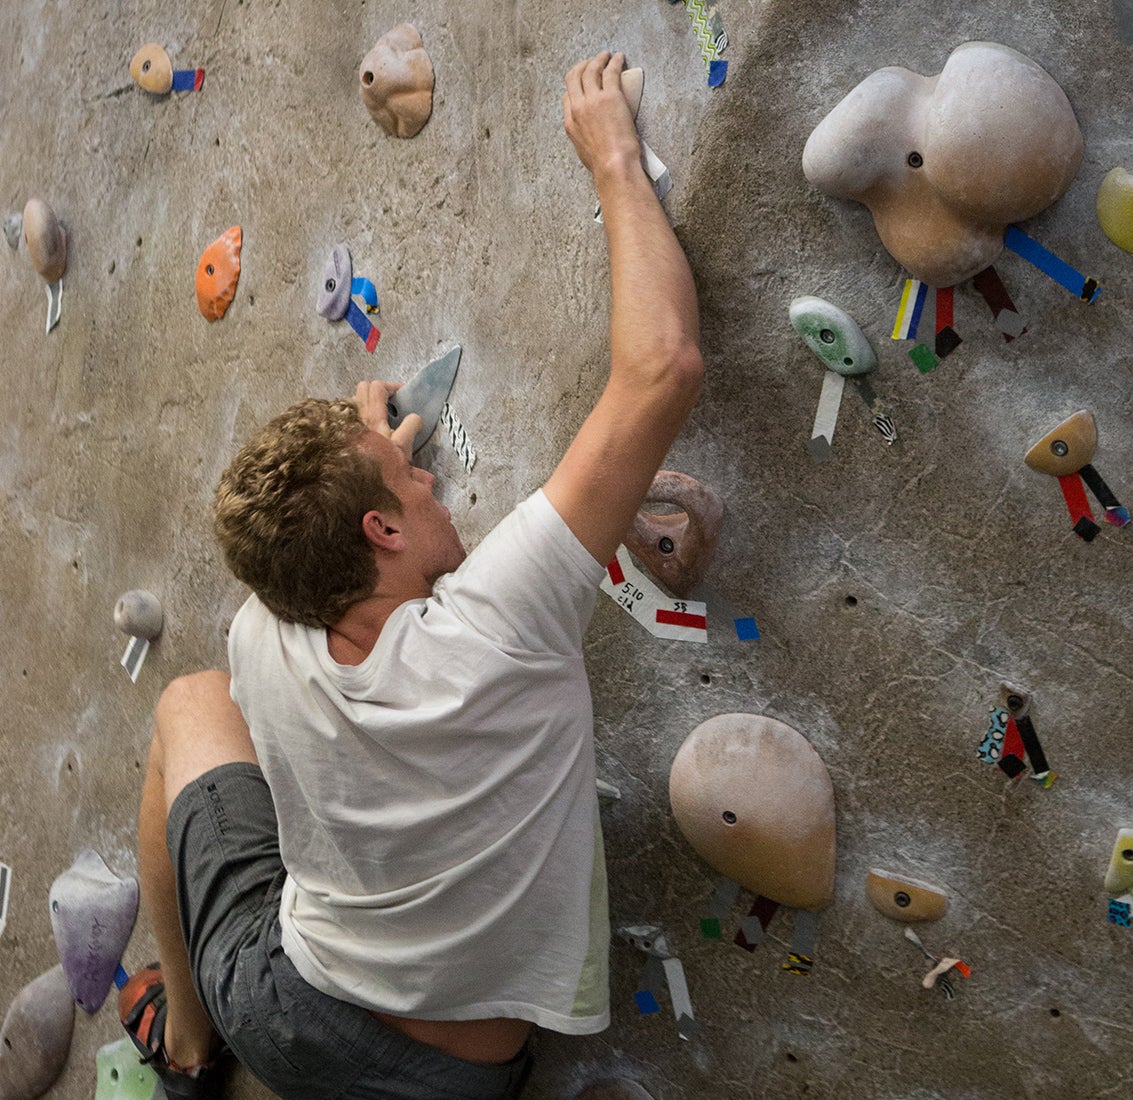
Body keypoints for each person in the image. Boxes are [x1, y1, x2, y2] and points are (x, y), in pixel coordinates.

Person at [122, 51, 702, 1100]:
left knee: (189, 702)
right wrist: (614, 157)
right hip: (446, 1077)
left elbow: (302, 525)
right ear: (382, 528)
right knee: (194, 704)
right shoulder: (501, 621)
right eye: (408, 478)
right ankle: (198, 1044)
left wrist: (360, 456)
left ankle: (194, 1046)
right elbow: (661, 368)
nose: (434, 484)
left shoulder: (270, 624)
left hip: (287, 1007)